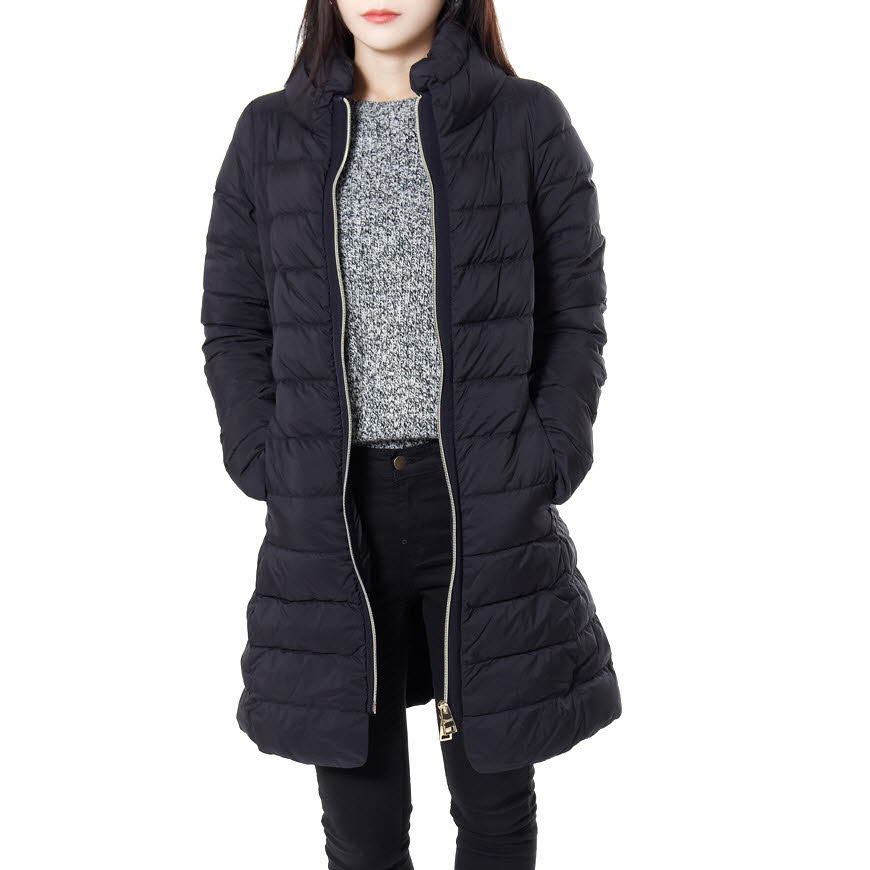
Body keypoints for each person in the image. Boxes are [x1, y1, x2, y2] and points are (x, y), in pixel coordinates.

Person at [201, 1, 621, 867]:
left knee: (493, 802)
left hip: (481, 502)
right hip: (333, 512)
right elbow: (234, 323)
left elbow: (577, 312)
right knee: (361, 827)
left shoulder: (524, 120)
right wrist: (263, 457)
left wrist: (551, 450)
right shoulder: (268, 136)